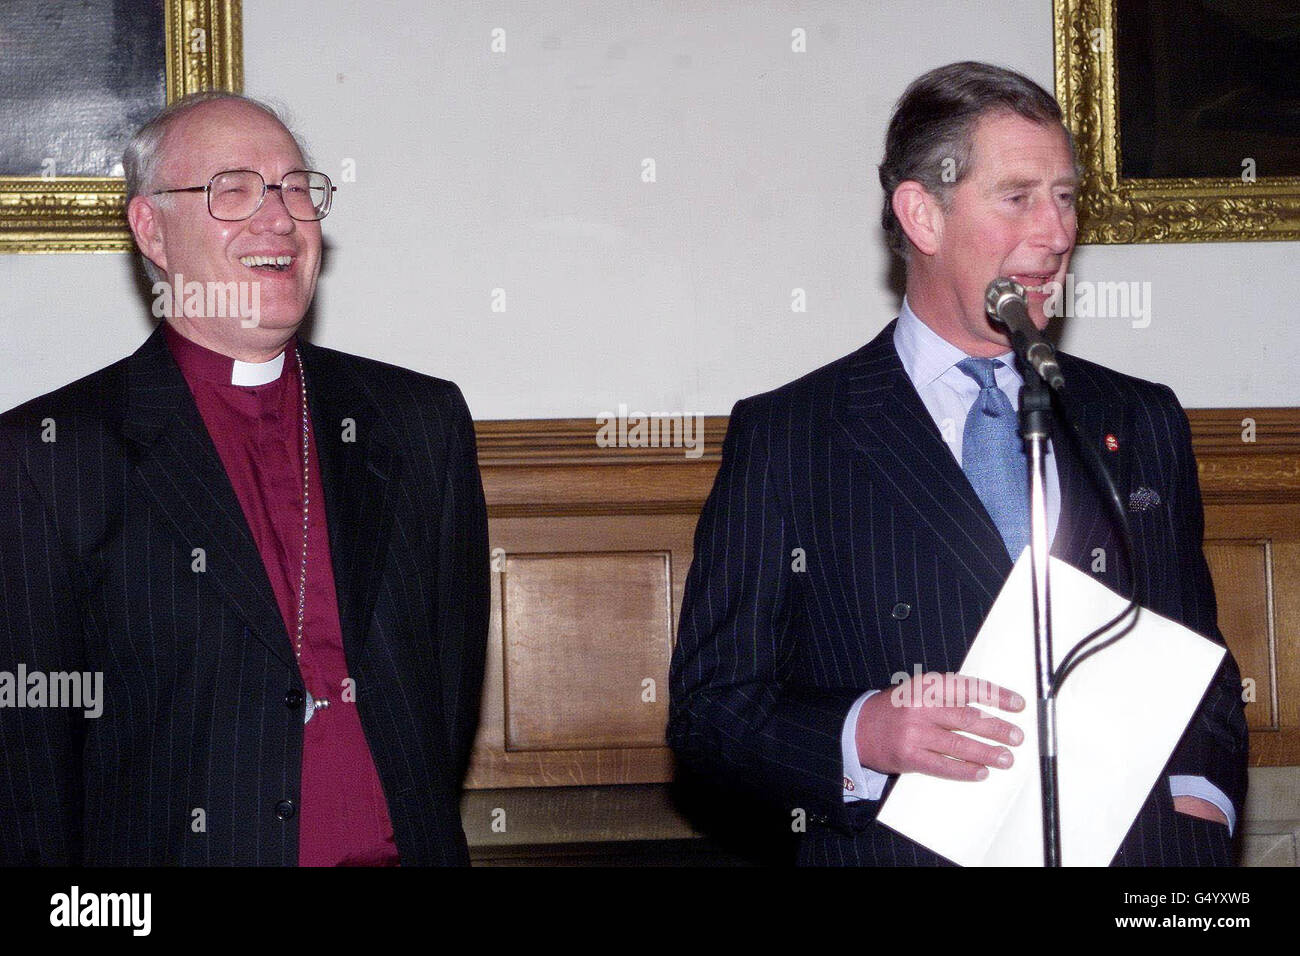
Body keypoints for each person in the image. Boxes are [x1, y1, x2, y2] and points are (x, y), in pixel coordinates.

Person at [667, 62, 1248, 866]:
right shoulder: (791, 436)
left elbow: (1198, 658)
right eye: (1019, 197)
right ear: (922, 216)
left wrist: (1200, 810)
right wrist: (861, 734)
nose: (1057, 231)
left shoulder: (1137, 417)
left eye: (1068, 195)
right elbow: (710, 713)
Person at [0, 91, 489, 866]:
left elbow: (446, 695)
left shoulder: (419, 422)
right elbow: (27, 769)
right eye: (234, 190)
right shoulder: (50, 453)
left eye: (298, 188)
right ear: (151, 229)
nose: (280, 218)